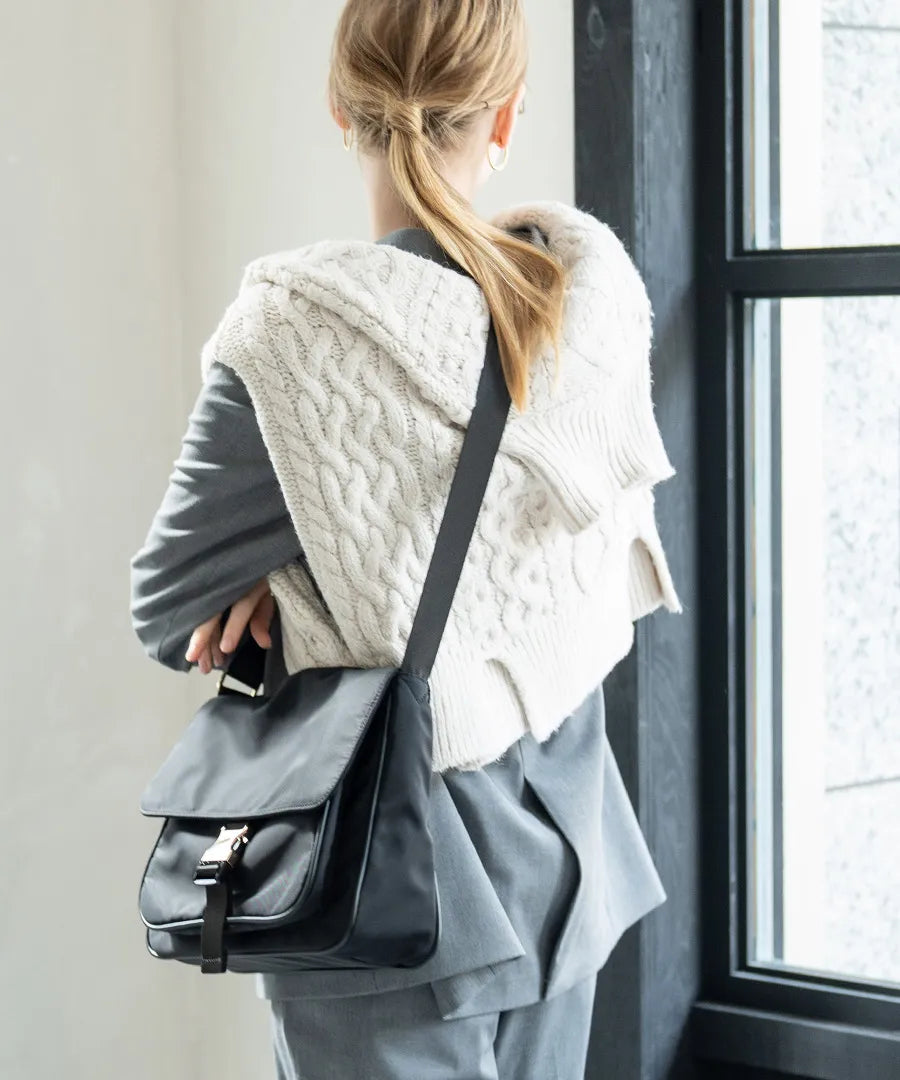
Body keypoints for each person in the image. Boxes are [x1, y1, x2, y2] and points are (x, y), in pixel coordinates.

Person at [129, 1, 684, 1076]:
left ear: (342, 107)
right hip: (564, 849)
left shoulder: (291, 337)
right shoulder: (582, 300)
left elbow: (167, 603)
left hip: (385, 881)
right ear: (508, 116)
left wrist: (284, 589)